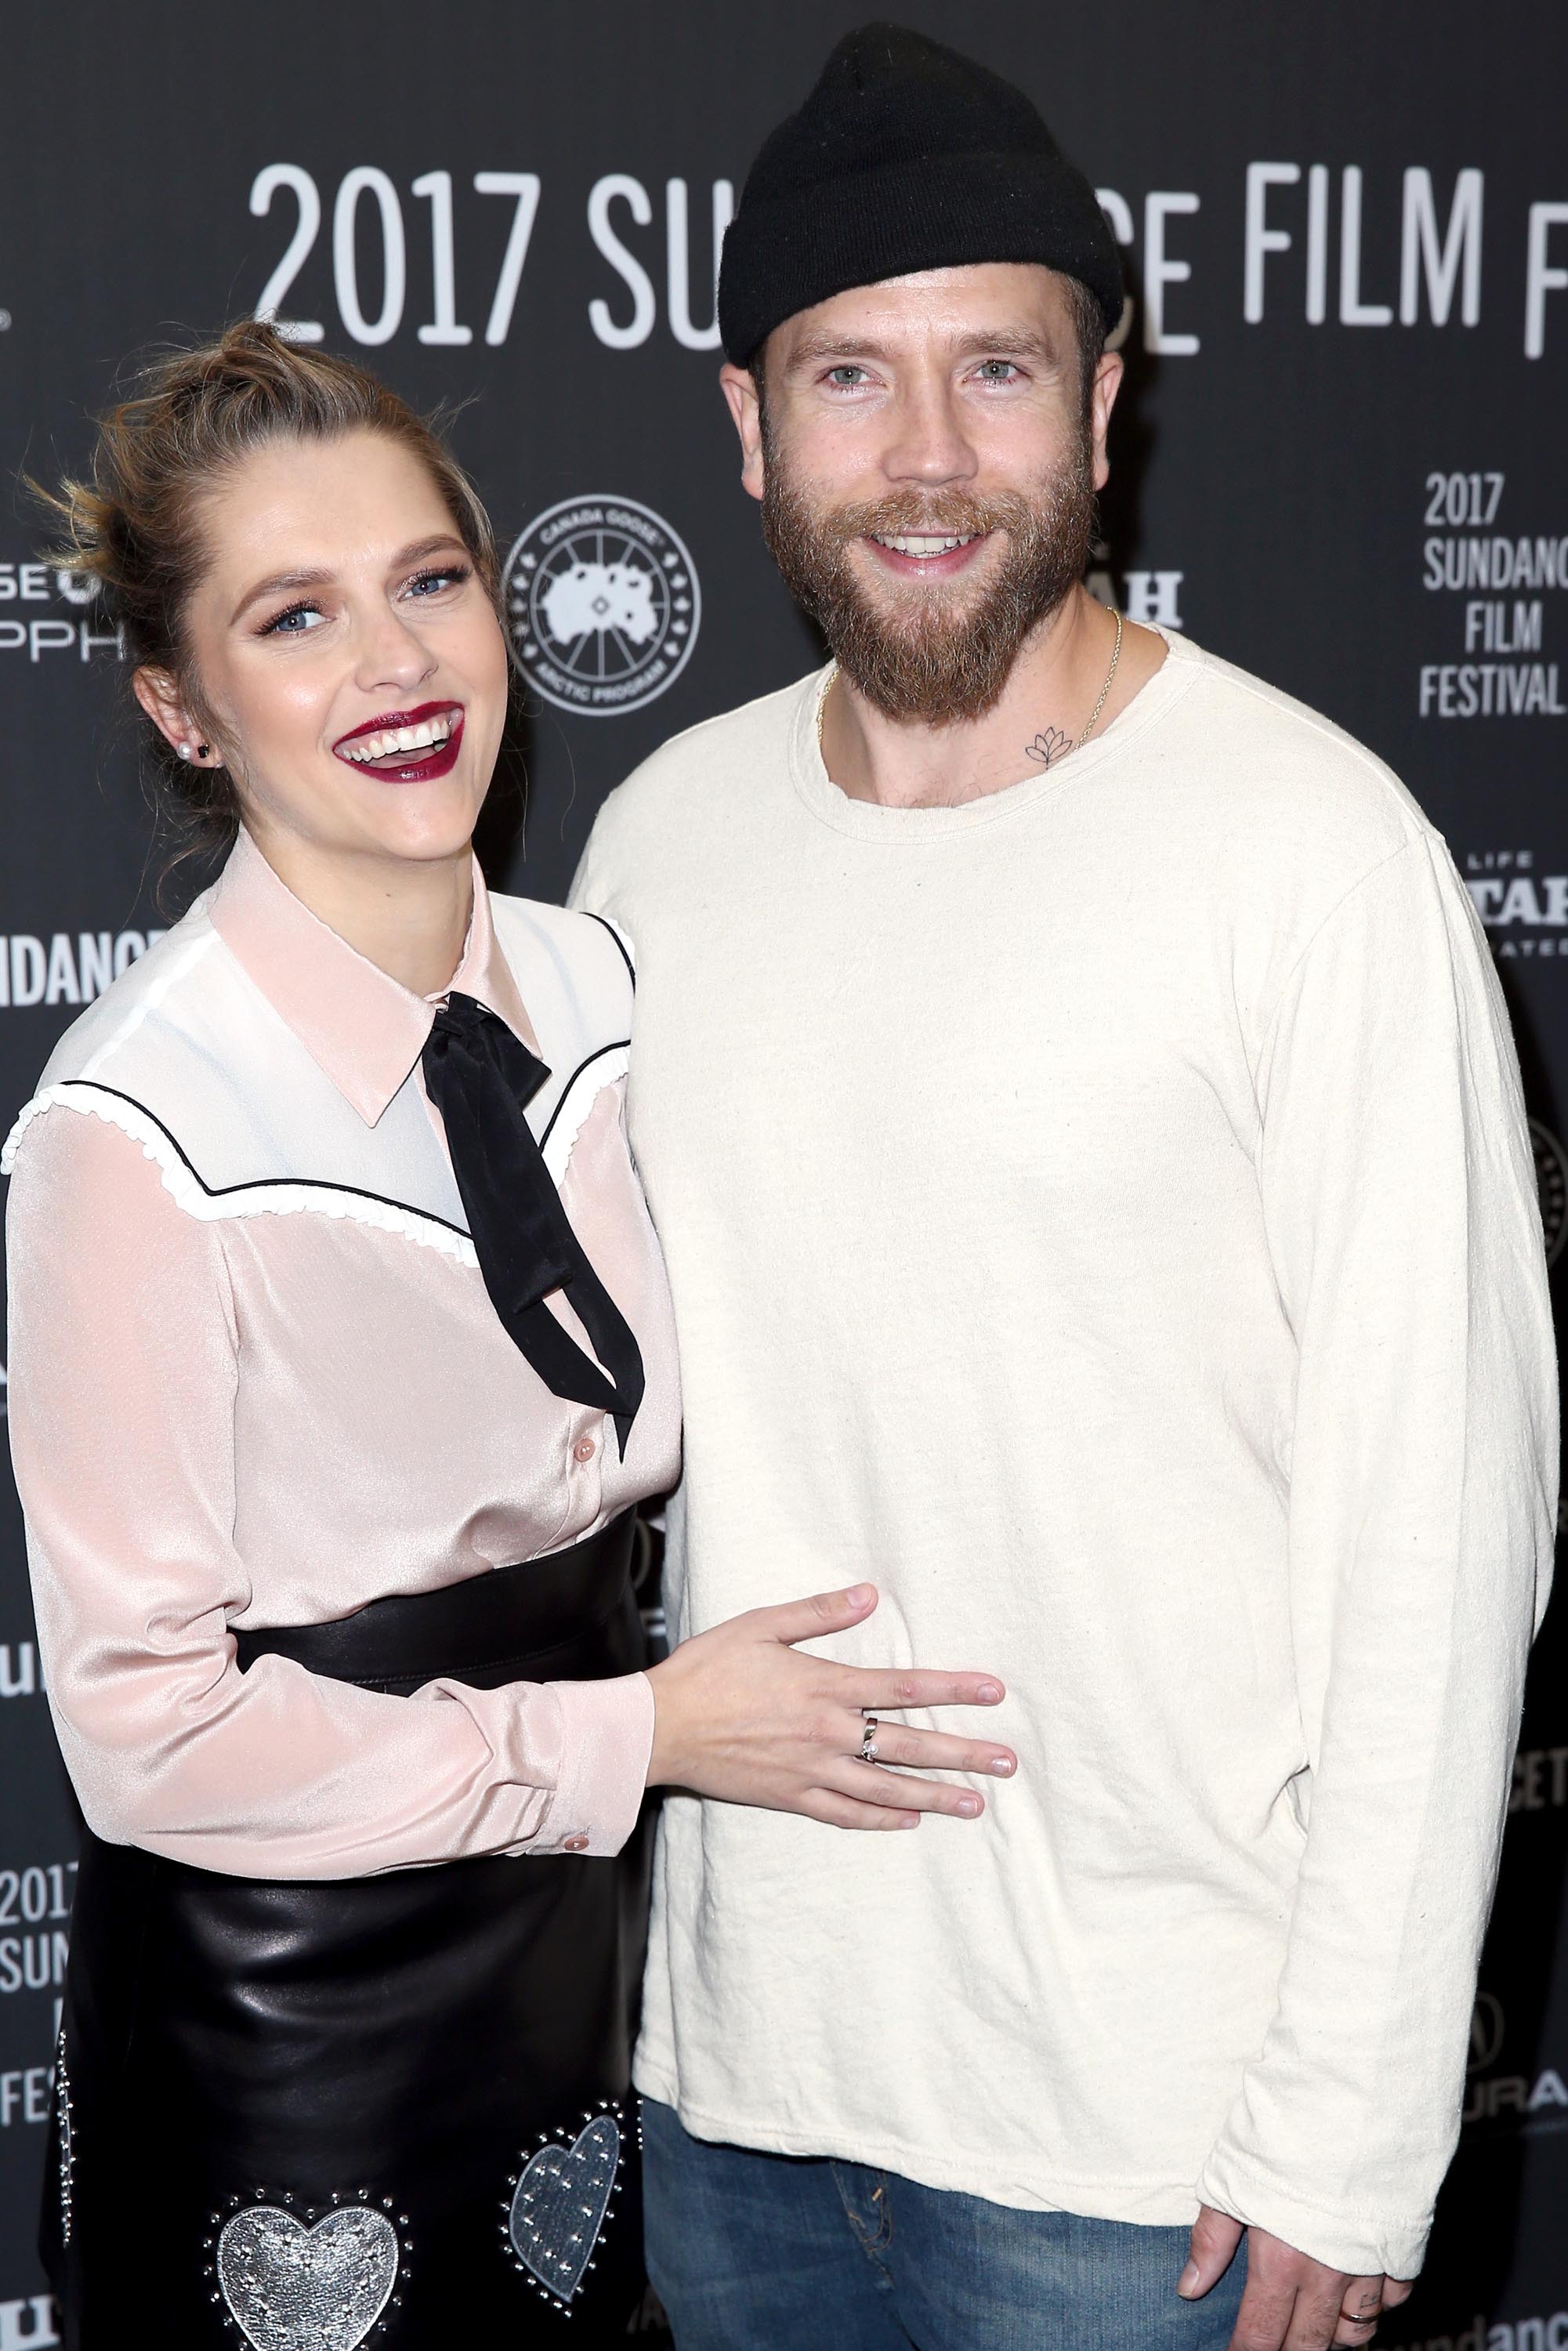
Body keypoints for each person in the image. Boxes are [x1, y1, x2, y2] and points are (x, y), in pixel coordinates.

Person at [569, 24, 1559, 2351]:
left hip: (1158, 2164)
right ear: (743, 424)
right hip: (740, 2110)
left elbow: (1441, 1526)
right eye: (849, 380)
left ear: (1101, 404)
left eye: (994, 370)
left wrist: (1348, 2117)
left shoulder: (1306, 853)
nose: (924, 460)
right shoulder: (654, 850)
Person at [2, 319, 1018, 2349]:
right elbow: (147, 1743)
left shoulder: (609, 993)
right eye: (294, 617)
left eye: (429, 581)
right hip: (286, 2026)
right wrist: (632, 1738)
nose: (393, 665)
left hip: (585, 1984)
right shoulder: (139, 1133)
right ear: (183, 707)